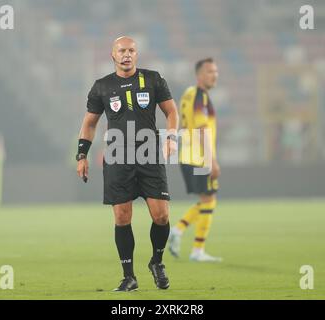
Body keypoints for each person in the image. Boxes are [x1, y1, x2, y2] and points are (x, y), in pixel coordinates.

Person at [76, 36, 179, 291]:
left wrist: (172, 138)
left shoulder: (154, 79)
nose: (127, 54)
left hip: (149, 154)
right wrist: (82, 155)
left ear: (137, 54)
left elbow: (172, 112)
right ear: (112, 55)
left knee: (162, 215)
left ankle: (157, 261)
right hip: (117, 157)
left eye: (131, 50)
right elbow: (89, 123)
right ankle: (129, 276)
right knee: (122, 217)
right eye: (122, 50)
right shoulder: (102, 86)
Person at [168, 58, 222, 262]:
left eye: (216, 71)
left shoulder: (188, 94)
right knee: (209, 200)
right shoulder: (201, 97)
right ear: (199, 75)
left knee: (206, 199)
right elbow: (201, 129)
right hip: (199, 158)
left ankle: (179, 231)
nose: (214, 75)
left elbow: (184, 126)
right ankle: (195, 248)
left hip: (187, 156)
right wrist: (212, 161)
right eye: (210, 71)